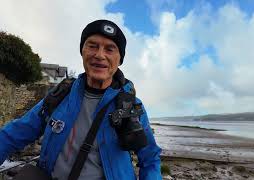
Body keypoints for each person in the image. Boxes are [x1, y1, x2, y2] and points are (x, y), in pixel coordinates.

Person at [0, 19, 162, 180]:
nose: (100, 55)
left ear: (120, 59)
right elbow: (13, 134)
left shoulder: (131, 106)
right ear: (82, 51)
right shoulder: (59, 96)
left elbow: (150, 158)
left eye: (110, 49)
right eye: (92, 46)